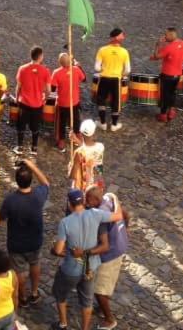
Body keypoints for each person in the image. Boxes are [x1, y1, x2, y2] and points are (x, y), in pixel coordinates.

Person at [50, 188, 121, 330]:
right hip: (90, 268)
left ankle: (63, 324)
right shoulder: (96, 214)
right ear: (83, 201)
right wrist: (114, 199)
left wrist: (54, 249)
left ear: (70, 204)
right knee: (87, 301)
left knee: (60, 294)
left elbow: (58, 250)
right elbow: (118, 216)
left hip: (71, 269)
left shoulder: (65, 222)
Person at [0, 159, 49, 306]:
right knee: (35, 264)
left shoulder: (10, 200)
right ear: (30, 179)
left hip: (16, 244)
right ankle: (34, 292)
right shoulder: (39, 195)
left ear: (16, 180)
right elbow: (45, 182)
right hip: (35, 241)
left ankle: (22, 296)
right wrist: (32, 166)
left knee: (19, 272)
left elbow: (0, 218)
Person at [87, 186, 129, 330]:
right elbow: (124, 214)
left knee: (99, 290)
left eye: (88, 200)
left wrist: (86, 253)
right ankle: (101, 306)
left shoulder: (100, 216)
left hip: (111, 253)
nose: (86, 203)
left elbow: (104, 246)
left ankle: (109, 319)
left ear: (96, 199)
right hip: (120, 244)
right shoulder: (109, 198)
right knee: (104, 283)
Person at [14, 46, 51, 157]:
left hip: (24, 103)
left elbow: (18, 86)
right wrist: (45, 98)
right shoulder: (45, 71)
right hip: (38, 104)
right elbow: (48, 90)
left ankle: (20, 147)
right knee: (35, 127)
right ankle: (34, 148)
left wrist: (16, 98)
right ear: (40, 57)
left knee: (21, 126)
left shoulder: (22, 68)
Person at [151, 27, 183, 122]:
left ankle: (163, 114)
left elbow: (157, 56)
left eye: (166, 35)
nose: (165, 36)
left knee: (165, 95)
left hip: (167, 75)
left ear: (172, 35)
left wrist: (157, 45)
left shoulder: (169, 47)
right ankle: (171, 110)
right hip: (177, 74)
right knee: (173, 93)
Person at [94, 28, 130, 131]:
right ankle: (114, 125)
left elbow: (97, 68)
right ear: (118, 37)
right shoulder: (124, 52)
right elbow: (128, 70)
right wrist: (122, 74)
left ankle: (103, 123)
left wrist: (103, 70)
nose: (124, 37)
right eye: (122, 35)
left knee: (101, 100)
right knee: (115, 102)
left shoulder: (102, 50)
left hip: (104, 78)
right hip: (116, 80)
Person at [51, 52, 85, 150]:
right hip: (75, 101)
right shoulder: (76, 69)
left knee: (62, 122)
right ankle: (77, 134)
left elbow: (53, 88)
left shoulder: (56, 72)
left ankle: (61, 140)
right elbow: (84, 78)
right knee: (76, 119)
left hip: (63, 103)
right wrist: (79, 67)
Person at [71, 118, 105, 190]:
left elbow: (72, 175)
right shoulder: (100, 147)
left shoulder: (79, 152)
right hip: (95, 183)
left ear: (81, 133)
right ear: (94, 133)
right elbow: (88, 150)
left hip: (81, 186)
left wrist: (70, 168)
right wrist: (76, 140)